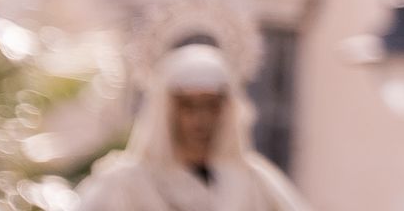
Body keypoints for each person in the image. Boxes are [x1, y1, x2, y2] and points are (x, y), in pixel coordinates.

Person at [75, 42, 310, 211]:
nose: (201, 119)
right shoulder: (124, 184)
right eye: (188, 106)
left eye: (211, 106)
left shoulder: (255, 183)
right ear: (166, 110)